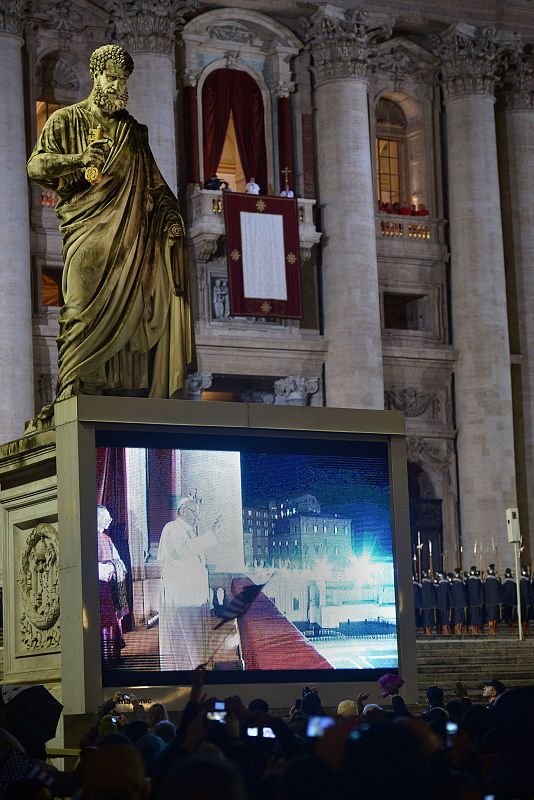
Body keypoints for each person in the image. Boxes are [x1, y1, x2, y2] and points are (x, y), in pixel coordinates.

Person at [27, 44, 194, 413]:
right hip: (86, 229)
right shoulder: (66, 120)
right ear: (95, 75)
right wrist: (79, 158)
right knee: (79, 308)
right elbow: (36, 167)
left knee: (136, 309)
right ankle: (71, 385)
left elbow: (155, 188)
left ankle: (118, 391)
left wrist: (171, 222)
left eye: (123, 79)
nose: (119, 85)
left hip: (132, 237)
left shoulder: (134, 133)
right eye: (112, 77)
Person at [157, 497, 222, 669]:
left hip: (191, 596)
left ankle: (194, 668)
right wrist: (211, 535)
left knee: (193, 638)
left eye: (198, 513)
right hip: (181, 598)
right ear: (182, 511)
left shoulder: (187, 532)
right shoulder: (172, 528)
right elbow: (182, 551)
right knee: (184, 638)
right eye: (194, 512)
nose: (197, 517)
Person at [97, 504, 128, 665]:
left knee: (115, 621)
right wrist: (110, 568)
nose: (110, 520)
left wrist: (117, 566)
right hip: (100, 589)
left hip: (111, 587)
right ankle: (105, 658)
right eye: (105, 517)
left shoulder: (107, 538)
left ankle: (115, 656)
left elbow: (117, 560)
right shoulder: (91, 538)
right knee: (105, 623)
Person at [484, 563, 502, 635]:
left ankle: (492, 629)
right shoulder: (495, 581)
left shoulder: (487, 582)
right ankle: (492, 629)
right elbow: (500, 591)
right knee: (493, 617)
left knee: (492, 617)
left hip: (489, 602)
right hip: (494, 602)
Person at [450, 567, 467, 635]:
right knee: (459, 618)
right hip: (460, 603)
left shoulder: (454, 583)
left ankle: (458, 629)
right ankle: (458, 629)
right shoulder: (459, 584)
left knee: (458, 618)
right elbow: (463, 594)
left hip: (456, 603)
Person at [502, 567, 517, 632]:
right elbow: (515, 594)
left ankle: (509, 628)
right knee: (512, 617)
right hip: (512, 603)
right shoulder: (514, 584)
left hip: (506, 603)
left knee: (508, 617)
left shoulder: (504, 585)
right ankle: (512, 628)